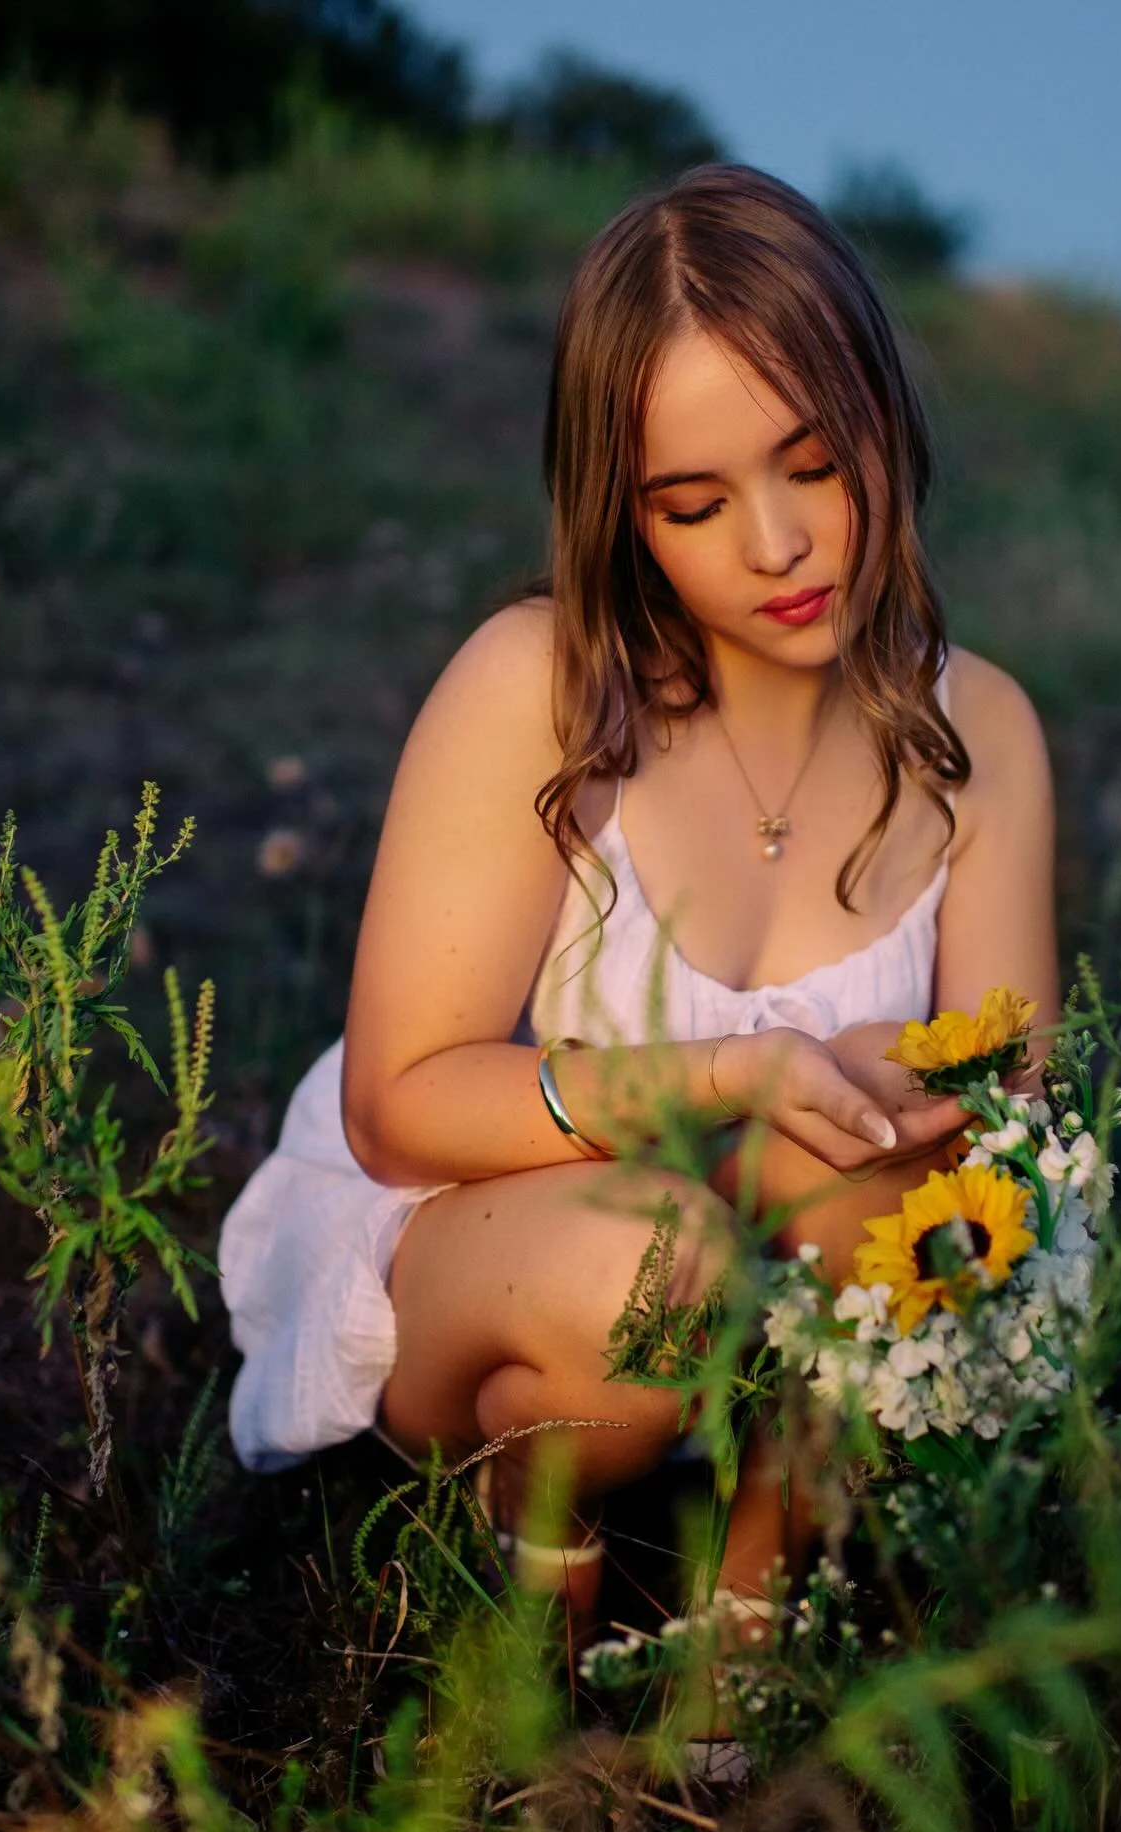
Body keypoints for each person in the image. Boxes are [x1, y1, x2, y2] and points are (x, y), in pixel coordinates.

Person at [219, 162, 1058, 1651]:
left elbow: (1010, 1147)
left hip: (801, 1330)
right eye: (696, 502)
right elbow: (401, 1109)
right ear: (626, 512)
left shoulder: (979, 731)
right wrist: (735, 1073)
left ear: (886, 417)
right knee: (651, 1276)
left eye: (815, 464)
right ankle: (540, 1545)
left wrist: (909, 1100)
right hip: (537, 1280)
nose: (780, 544)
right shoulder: (536, 690)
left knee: (899, 1187)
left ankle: (751, 1602)